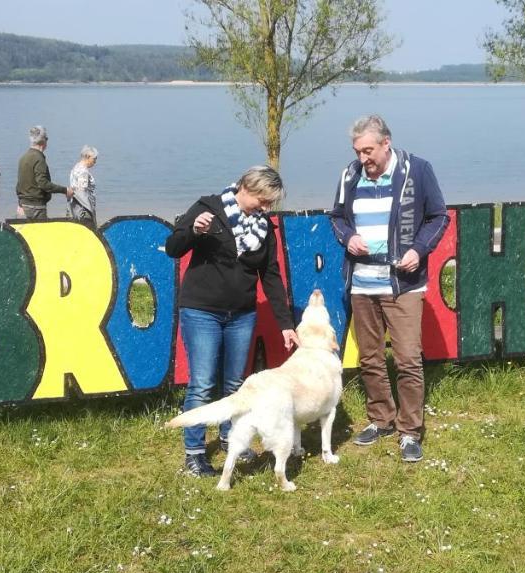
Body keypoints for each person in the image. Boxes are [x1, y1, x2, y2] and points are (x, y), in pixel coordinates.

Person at [164, 166, 299, 478]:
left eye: (270, 204)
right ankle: (195, 454)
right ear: (246, 187)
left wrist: (285, 323)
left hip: (241, 314)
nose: (265, 209)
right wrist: (193, 231)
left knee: (236, 384)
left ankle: (229, 438)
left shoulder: (265, 228)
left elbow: (271, 275)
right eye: (263, 201)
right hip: (202, 310)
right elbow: (174, 247)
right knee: (202, 384)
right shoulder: (208, 209)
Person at [329, 114, 448, 463]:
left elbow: (439, 216)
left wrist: (418, 250)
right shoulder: (349, 175)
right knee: (370, 358)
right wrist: (348, 237)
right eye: (357, 151)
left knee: (408, 359)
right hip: (361, 283)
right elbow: (336, 216)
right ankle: (381, 419)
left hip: (403, 284)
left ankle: (410, 431)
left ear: (386, 143)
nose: (363, 158)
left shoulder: (418, 170)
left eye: (368, 150)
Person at [15, 125, 71, 220]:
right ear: (43, 141)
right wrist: (65, 190)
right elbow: (43, 184)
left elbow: (19, 185)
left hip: (24, 205)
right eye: (47, 139)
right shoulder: (39, 158)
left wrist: (20, 203)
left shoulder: (23, 158)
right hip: (36, 208)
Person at [67, 145, 100, 230]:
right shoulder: (83, 172)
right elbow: (81, 193)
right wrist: (90, 212)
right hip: (84, 210)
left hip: (75, 207)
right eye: (94, 158)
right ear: (88, 157)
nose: (95, 161)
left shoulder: (76, 167)